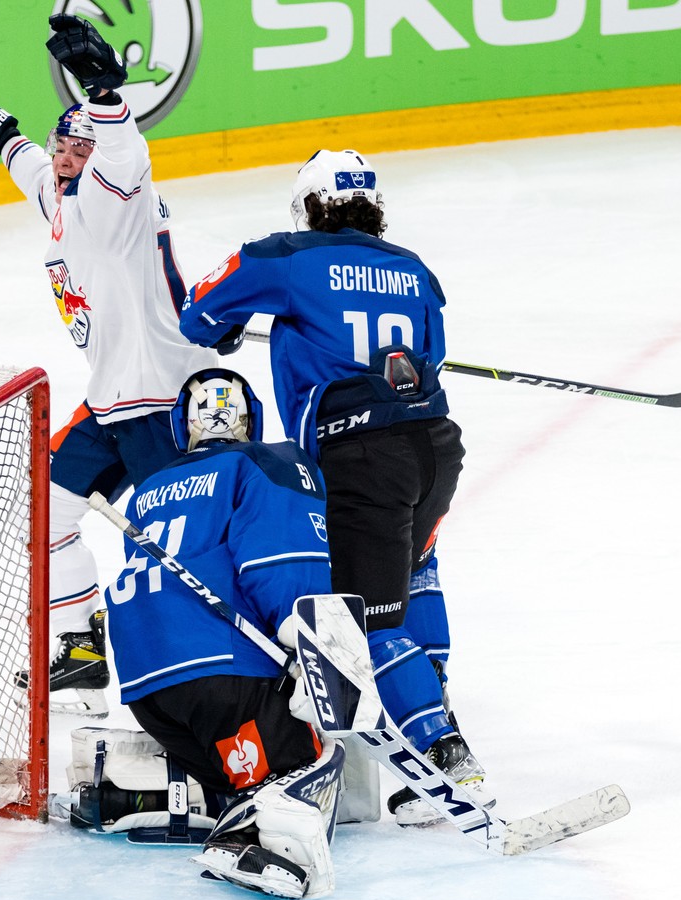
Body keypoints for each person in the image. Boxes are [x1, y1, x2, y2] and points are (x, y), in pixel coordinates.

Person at [176, 149, 482, 825]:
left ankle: (446, 755)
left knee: (363, 622)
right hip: (434, 447)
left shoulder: (289, 255)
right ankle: (437, 710)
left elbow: (197, 313)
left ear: (309, 205)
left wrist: (227, 326)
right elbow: (422, 359)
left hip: (359, 458)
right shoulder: (415, 270)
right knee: (417, 569)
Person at [0, 14, 207, 718]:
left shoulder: (120, 196)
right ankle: (82, 654)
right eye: (62, 143)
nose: (63, 156)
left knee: (185, 547)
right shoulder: (68, 193)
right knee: (46, 515)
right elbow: (32, 163)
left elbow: (122, 153)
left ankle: (212, 665)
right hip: (113, 397)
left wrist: (106, 92)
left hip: (162, 400)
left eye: (78, 148)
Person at [100, 368, 345, 900]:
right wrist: (307, 643)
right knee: (313, 763)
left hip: (150, 685)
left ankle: (208, 802)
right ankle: (248, 842)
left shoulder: (149, 491)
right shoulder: (266, 461)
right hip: (226, 673)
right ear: (250, 418)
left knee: (241, 780)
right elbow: (280, 560)